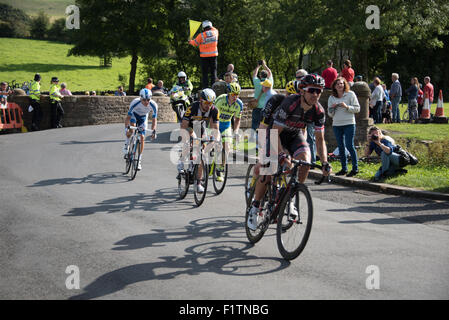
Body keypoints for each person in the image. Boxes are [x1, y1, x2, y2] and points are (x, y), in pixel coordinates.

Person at [247, 74, 331, 231]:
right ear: (302, 91)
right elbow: (273, 132)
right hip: (274, 134)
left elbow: (320, 140)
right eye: (312, 90)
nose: (315, 95)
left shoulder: (319, 111)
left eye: (319, 92)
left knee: (305, 162)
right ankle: (255, 207)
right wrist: (280, 154)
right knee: (269, 169)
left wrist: (325, 162)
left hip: (293, 135)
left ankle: (289, 197)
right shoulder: (289, 104)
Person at [178, 88, 220, 193]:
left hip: (200, 126)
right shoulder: (193, 107)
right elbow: (184, 125)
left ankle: (198, 183)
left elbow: (216, 129)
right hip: (188, 126)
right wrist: (192, 135)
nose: (208, 106)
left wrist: (214, 139)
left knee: (202, 155)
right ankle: (181, 162)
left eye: (210, 103)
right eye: (206, 103)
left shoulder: (214, 110)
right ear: (201, 100)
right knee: (189, 141)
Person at [327, 77, 360, 177]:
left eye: (341, 84)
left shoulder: (350, 94)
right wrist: (332, 108)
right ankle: (344, 169)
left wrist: (347, 107)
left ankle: (355, 168)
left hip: (349, 123)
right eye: (337, 84)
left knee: (350, 146)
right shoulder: (331, 97)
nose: (340, 85)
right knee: (341, 147)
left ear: (344, 84)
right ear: (334, 86)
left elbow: (357, 108)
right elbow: (329, 114)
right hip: (337, 124)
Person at [214, 82, 243, 181]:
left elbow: (237, 119)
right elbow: (212, 115)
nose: (235, 97)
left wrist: (236, 131)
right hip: (215, 123)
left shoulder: (239, 104)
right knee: (215, 144)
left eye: (237, 94)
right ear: (229, 93)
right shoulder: (221, 100)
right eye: (233, 94)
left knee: (227, 146)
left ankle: (220, 169)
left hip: (226, 125)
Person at [123, 88, 158, 171]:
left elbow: (154, 120)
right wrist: (126, 128)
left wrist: (153, 130)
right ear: (140, 98)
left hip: (143, 118)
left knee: (142, 137)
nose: (146, 102)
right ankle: (127, 143)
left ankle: (139, 160)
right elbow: (128, 118)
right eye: (144, 100)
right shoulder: (135, 102)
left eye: (148, 100)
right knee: (131, 130)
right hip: (134, 115)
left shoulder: (153, 105)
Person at [188, 20, 219, 89]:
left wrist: (190, 41)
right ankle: (214, 87)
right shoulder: (215, 32)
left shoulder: (201, 35)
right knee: (213, 73)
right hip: (214, 56)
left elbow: (195, 43)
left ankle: (206, 88)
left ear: (203, 28)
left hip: (204, 57)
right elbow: (214, 28)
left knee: (205, 74)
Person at [251, 60, 273, 140]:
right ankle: (263, 138)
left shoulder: (257, 82)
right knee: (264, 124)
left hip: (257, 106)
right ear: (267, 76)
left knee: (255, 123)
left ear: (260, 76)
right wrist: (265, 65)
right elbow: (270, 72)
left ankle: (252, 138)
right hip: (267, 107)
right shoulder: (269, 82)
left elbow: (254, 75)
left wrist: (258, 66)